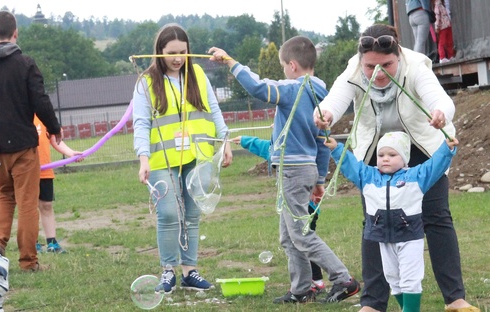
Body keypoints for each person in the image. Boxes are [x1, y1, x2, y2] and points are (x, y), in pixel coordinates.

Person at [313, 24, 480, 312]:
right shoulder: (354, 69)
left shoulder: (415, 66)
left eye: (387, 64)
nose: (378, 72)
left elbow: (440, 100)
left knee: (436, 218)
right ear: (361, 60)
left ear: (398, 54)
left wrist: (441, 113)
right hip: (378, 152)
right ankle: (374, 303)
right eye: (371, 66)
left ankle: (455, 299)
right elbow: (334, 102)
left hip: (421, 147)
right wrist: (324, 114)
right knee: (374, 223)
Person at [209, 35, 360, 304]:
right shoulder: (322, 95)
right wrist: (320, 177)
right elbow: (322, 142)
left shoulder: (294, 90)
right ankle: (302, 290)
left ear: (292, 66)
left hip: (292, 170)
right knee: (289, 237)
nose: (283, 73)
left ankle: (343, 279)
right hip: (304, 170)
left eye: (282, 67)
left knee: (301, 235)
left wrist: (231, 62)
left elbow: (257, 88)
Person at [132, 23, 233, 294]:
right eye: (171, 52)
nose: (177, 58)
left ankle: (190, 271)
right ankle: (168, 271)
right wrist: (143, 159)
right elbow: (141, 123)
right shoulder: (146, 82)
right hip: (162, 159)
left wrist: (225, 142)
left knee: (192, 213)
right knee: (167, 214)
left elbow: (213, 109)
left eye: (183, 52)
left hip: (197, 156)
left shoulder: (198, 74)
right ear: (159, 52)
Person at [325, 132, 459, 312]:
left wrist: (447, 149)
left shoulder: (416, 177)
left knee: (410, 279)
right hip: (383, 238)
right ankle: (406, 308)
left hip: (410, 237)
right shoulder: (367, 177)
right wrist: (336, 148)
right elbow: (350, 165)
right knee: (392, 278)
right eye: (381, 155)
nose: (385, 159)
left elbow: (434, 165)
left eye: (392, 155)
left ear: (404, 159)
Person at [0, 10, 62, 272]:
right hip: (22, 145)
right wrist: (54, 128)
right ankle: (28, 261)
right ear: (15, 33)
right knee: (27, 202)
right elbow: (40, 101)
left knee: (2, 194)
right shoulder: (25, 64)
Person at [230, 135, 326, 294]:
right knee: (300, 242)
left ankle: (317, 280)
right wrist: (245, 141)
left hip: (305, 204)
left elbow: (270, 149)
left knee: (304, 242)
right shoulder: (284, 145)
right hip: (302, 204)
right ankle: (312, 281)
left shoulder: (296, 147)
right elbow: (267, 149)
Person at [34, 115, 84, 254]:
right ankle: (32, 243)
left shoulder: (43, 116)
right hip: (26, 172)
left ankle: (52, 243)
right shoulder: (20, 113)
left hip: (45, 171)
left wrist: (71, 153)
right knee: (29, 208)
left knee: (46, 206)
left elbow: (56, 140)